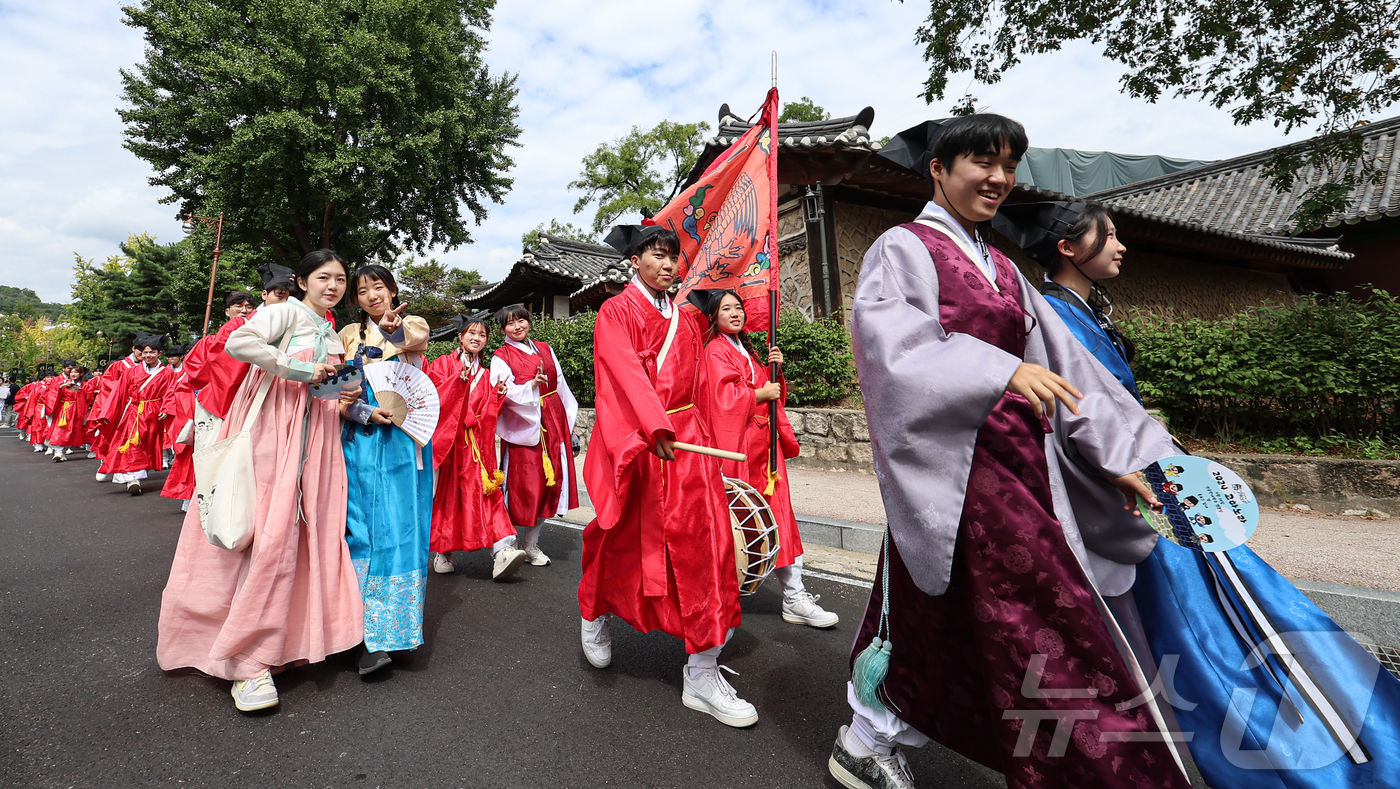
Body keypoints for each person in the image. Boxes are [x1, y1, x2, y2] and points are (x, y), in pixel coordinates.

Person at [827, 114, 1192, 789]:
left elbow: (1066, 368)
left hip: (1019, 470)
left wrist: (1119, 455)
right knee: (1048, 630)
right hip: (961, 477)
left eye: (1008, 163)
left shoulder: (1001, 267)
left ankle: (866, 735)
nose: (999, 177)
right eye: (981, 161)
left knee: (950, 621)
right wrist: (996, 369)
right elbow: (894, 353)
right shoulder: (901, 249)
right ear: (938, 168)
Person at [998, 198, 1400, 788]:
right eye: (1107, 236)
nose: (1120, 245)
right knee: (1198, 613)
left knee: (1212, 605)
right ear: (1066, 248)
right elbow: (1078, 414)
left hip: (1151, 466)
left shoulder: (1082, 311)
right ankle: (1271, 739)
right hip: (1133, 478)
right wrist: (1124, 465)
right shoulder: (1055, 317)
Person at [157, 249, 363, 713]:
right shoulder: (283, 311)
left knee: (301, 541)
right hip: (271, 436)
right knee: (263, 541)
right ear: (302, 281)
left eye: (340, 278)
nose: (333, 285)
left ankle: (282, 642)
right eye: (324, 277)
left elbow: (326, 390)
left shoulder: (331, 330)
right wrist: (305, 369)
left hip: (317, 445)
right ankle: (247, 663)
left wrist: (346, 394)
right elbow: (240, 344)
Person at [579, 224, 752, 728]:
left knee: (707, 544)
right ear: (635, 261)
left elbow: (702, 380)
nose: (667, 265)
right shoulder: (617, 311)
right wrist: (652, 425)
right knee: (623, 538)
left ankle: (701, 668)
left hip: (688, 442)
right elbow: (621, 373)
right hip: (641, 440)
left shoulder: (684, 317)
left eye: (673, 258)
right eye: (656, 256)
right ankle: (594, 611)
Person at [690, 288, 838, 628]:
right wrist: (759, 392)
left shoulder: (751, 350)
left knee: (782, 517)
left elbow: (773, 397)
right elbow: (720, 399)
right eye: (726, 308)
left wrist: (775, 371)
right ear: (713, 316)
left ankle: (794, 595)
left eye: (738, 307)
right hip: (739, 447)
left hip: (765, 450)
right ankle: (722, 596)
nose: (735, 313)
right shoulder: (715, 352)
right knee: (739, 522)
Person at [338, 264, 434, 676]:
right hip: (361, 440)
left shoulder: (412, 323)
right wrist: (360, 410)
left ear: (393, 290)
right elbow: (334, 392)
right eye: (362, 291)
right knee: (364, 530)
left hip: (403, 442)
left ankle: (399, 629)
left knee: (405, 530)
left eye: (378, 287)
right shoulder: (345, 336)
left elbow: (412, 337)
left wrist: (391, 328)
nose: (372, 296)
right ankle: (363, 636)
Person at [424, 312, 523, 579]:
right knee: (449, 498)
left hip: (477, 445)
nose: (476, 338)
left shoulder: (486, 373)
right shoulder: (443, 364)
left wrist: (498, 397)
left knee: (485, 493)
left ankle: (502, 548)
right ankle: (443, 550)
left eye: (482, 335)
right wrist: (458, 382)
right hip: (450, 444)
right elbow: (433, 397)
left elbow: (487, 411)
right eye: (472, 333)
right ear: (460, 337)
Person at [490, 303, 579, 568]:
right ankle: (503, 547)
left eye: (521, 321)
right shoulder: (501, 356)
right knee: (521, 486)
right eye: (510, 323)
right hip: (524, 426)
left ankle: (530, 544)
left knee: (549, 485)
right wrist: (529, 386)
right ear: (502, 329)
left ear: (529, 321)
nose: (517, 327)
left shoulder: (545, 348)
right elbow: (501, 392)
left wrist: (570, 426)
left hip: (553, 420)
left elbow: (560, 385)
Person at [94, 335, 178, 495]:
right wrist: (108, 412)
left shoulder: (167, 373)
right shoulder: (131, 372)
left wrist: (166, 409)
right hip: (133, 411)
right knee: (132, 443)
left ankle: (127, 474)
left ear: (159, 353)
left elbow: (171, 392)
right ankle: (134, 478)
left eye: (152, 352)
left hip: (153, 412)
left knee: (146, 444)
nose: (148, 355)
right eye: (145, 352)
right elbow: (119, 392)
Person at [46, 363, 93, 461]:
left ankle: (64, 451)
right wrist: (62, 385)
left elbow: (89, 397)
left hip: (77, 409)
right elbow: (51, 391)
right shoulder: (63, 382)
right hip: (63, 409)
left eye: (76, 372)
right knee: (60, 429)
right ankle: (58, 452)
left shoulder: (86, 385)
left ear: (81, 374)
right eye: (72, 372)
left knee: (73, 431)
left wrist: (80, 391)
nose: (73, 374)